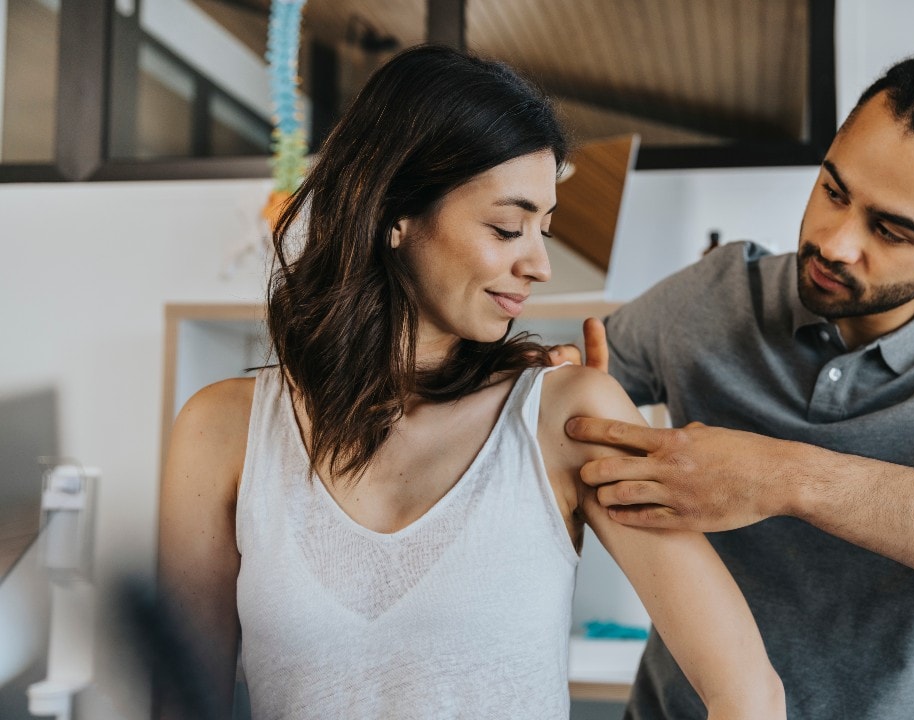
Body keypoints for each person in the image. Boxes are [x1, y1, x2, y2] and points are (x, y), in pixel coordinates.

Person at [158, 45, 785, 720]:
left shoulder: (567, 416)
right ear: (394, 210)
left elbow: (746, 694)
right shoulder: (222, 430)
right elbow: (177, 702)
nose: (540, 264)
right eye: (508, 227)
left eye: (544, 229)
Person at [562, 6, 914, 720]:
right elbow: (559, 389)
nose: (834, 242)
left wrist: (785, 477)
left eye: (890, 229)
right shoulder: (713, 296)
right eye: (833, 190)